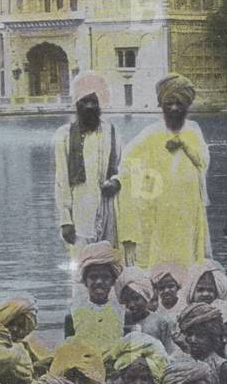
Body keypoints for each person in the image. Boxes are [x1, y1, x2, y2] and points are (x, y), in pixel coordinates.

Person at [116, 73, 210, 268]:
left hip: (189, 213)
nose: (174, 108)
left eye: (179, 103)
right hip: (159, 215)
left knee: (190, 263)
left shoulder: (194, 131)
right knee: (159, 264)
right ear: (161, 105)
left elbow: (203, 162)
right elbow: (127, 168)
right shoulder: (149, 136)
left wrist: (183, 143)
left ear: (187, 106)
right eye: (169, 103)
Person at [53, 77, 122, 255]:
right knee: (81, 266)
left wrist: (116, 182)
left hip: (108, 208)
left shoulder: (111, 131)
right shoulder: (64, 135)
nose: (90, 107)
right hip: (80, 211)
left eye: (94, 102)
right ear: (77, 104)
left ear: (99, 105)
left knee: (109, 264)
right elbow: (61, 179)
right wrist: (66, 220)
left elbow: (122, 166)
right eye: (85, 102)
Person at [64, 241, 124, 351]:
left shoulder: (122, 313)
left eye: (105, 277)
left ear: (113, 281)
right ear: (85, 281)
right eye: (93, 277)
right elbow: (68, 350)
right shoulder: (72, 315)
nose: (99, 282)